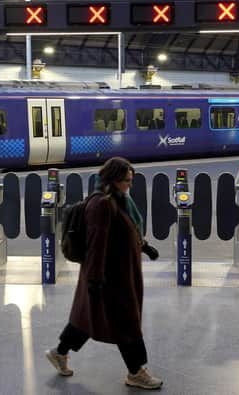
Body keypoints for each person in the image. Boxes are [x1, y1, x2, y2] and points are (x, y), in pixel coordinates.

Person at [45, 157, 162, 390]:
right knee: (127, 324)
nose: (130, 185)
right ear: (115, 180)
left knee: (86, 319)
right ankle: (136, 372)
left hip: (118, 274)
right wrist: (95, 282)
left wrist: (145, 246)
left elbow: (125, 230)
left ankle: (59, 353)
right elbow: (97, 244)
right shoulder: (102, 205)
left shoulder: (118, 200)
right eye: (127, 181)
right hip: (110, 278)